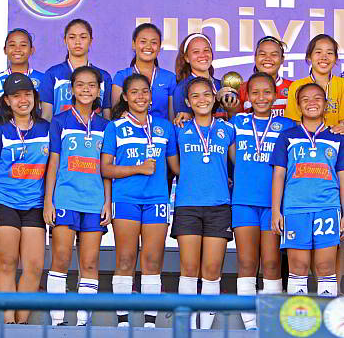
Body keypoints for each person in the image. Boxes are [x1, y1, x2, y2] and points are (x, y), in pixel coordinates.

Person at [102, 74, 179, 328]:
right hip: (126, 199)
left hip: (157, 199)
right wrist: (137, 168)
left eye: (145, 91)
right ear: (125, 96)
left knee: (153, 261)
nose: (140, 97)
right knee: (125, 259)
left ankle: (149, 323)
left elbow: (175, 167)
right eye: (134, 92)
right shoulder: (115, 127)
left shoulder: (164, 127)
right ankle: (123, 322)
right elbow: (106, 169)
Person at [284, 34, 344, 292]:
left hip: (335, 157)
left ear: (336, 59)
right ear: (308, 57)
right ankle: (302, 305)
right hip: (306, 166)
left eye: (330, 53)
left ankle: (331, 293)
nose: (324, 57)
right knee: (301, 250)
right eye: (318, 52)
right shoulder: (298, 87)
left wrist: (338, 129)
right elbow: (295, 127)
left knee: (337, 238)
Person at [271, 82, 344, 297]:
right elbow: (279, 174)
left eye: (317, 98)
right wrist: (276, 211)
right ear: (298, 105)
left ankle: (326, 324)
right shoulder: (287, 137)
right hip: (295, 209)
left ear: (326, 104)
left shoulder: (338, 139)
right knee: (298, 268)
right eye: (305, 99)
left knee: (326, 268)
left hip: (328, 208)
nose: (311, 103)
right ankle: (298, 325)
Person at [44, 66, 110, 326]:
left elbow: (107, 168)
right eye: (80, 85)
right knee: (60, 259)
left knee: (90, 262)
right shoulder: (60, 121)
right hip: (65, 199)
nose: (85, 89)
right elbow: (53, 165)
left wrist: (107, 201)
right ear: (71, 89)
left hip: (94, 202)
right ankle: (57, 320)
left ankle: (84, 322)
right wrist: (49, 201)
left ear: (98, 91)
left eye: (91, 85)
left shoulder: (106, 126)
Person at [0, 73, 49, 324]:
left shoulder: (46, 128)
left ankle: (21, 325)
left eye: (28, 94)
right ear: (7, 101)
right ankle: (8, 323)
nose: (23, 100)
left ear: (34, 97)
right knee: (7, 264)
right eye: (16, 96)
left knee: (33, 266)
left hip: (34, 206)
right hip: (3, 203)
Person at [230, 72, 294, 330]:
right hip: (243, 201)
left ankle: (269, 323)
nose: (261, 97)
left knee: (271, 262)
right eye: (255, 92)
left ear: (276, 95)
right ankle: (250, 325)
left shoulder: (288, 126)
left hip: (273, 205)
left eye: (267, 92)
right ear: (247, 96)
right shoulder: (236, 122)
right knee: (246, 262)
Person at [172, 77, 235, 330]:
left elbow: (236, 165)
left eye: (207, 94)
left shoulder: (227, 130)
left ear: (215, 97)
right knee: (189, 268)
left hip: (219, 205)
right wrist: (189, 177)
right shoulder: (179, 128)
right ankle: (187, 329)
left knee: (211, 269)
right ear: (188, 101)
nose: (202, 100)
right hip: (187, 205)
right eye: (195, 96)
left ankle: (204, 331)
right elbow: (174, 165)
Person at [39, 18, 112, 121]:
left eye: (83, 37)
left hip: (95, 135)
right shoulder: (52, 74)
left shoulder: (104, 77)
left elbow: (107, 117)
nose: (77, 42)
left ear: (91, 40)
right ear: (65, 40)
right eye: (72, 37)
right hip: (60, 134)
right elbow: (47, 117)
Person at [111, 23, 176, 121]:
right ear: (133, 44)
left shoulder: (169, 78)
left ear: (159, 47)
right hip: (131, 134)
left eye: (153, 42)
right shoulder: (121, 77)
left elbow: (172, 118)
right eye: (143, 41)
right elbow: (116, 114)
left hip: (161, 134)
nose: (148, 46)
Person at [0, 29, 44, 124]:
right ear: (5, 50)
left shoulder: (44, 79)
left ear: (32, 50)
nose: (17, 49)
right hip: (3, 136)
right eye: (12, 45)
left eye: (23, 45)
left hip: (35, 135)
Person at [172, 33, 234, 125]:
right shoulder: (182, 88)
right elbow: (183, 124)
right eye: (196, 52)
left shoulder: (221, 84)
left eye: (206, 50)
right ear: (187, 58)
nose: (203, 55)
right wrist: (217, 100)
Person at [234, 36, 292, 117]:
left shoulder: (293, 87)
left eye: (274, 54)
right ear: (255, 58)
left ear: (282, 59)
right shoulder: (243, 88)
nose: (268, 58)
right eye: (262, 54)